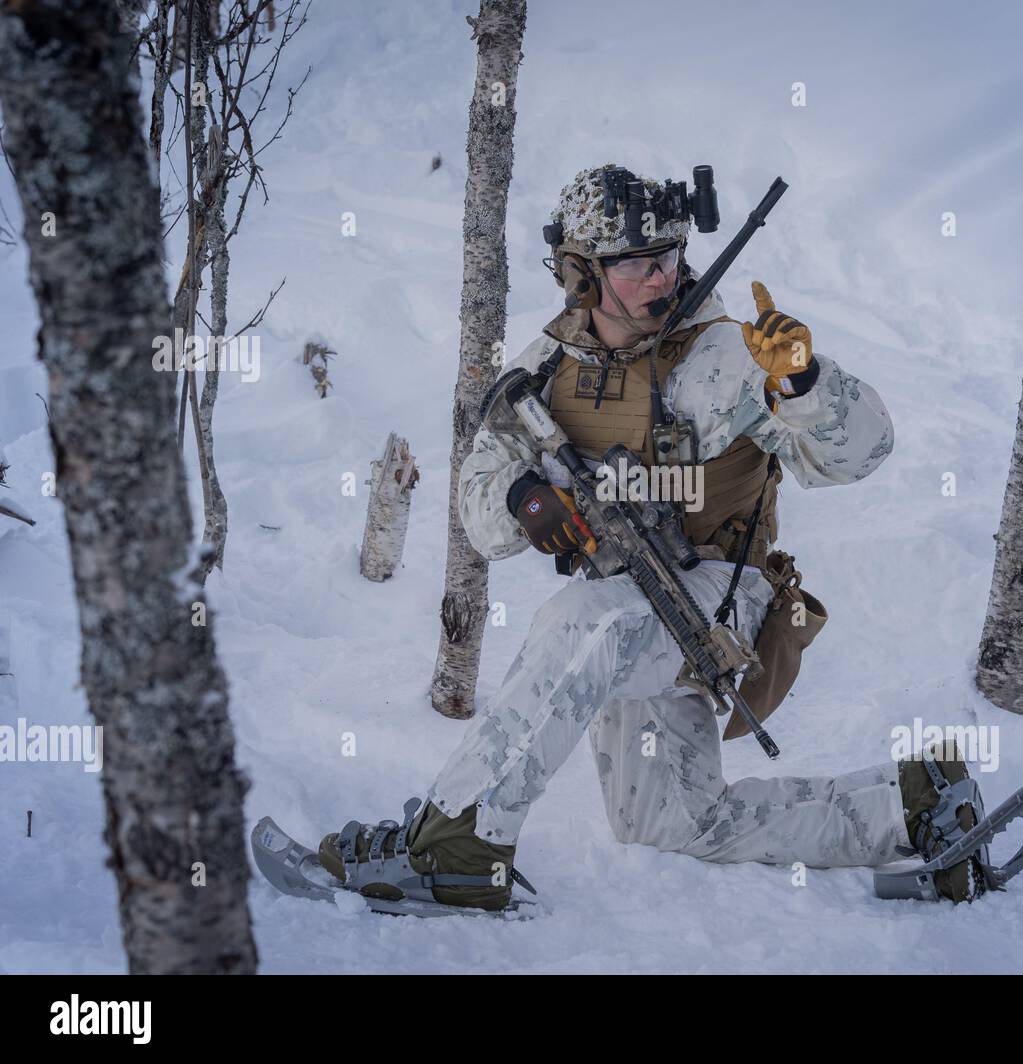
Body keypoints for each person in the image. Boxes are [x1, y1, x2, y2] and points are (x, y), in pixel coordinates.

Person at [316, 164, 985, 911]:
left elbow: (858, 455)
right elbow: (480, 510)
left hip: (720, 596)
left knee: (579, 621)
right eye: (637, 263)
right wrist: (527, 500)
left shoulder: (729, 358)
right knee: (673, 823)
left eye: (668, 257)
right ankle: (916, 805)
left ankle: (458, 845)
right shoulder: (542, 373)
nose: (661, 277)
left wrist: (802, 384)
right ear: (580, 276)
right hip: (626, 610)